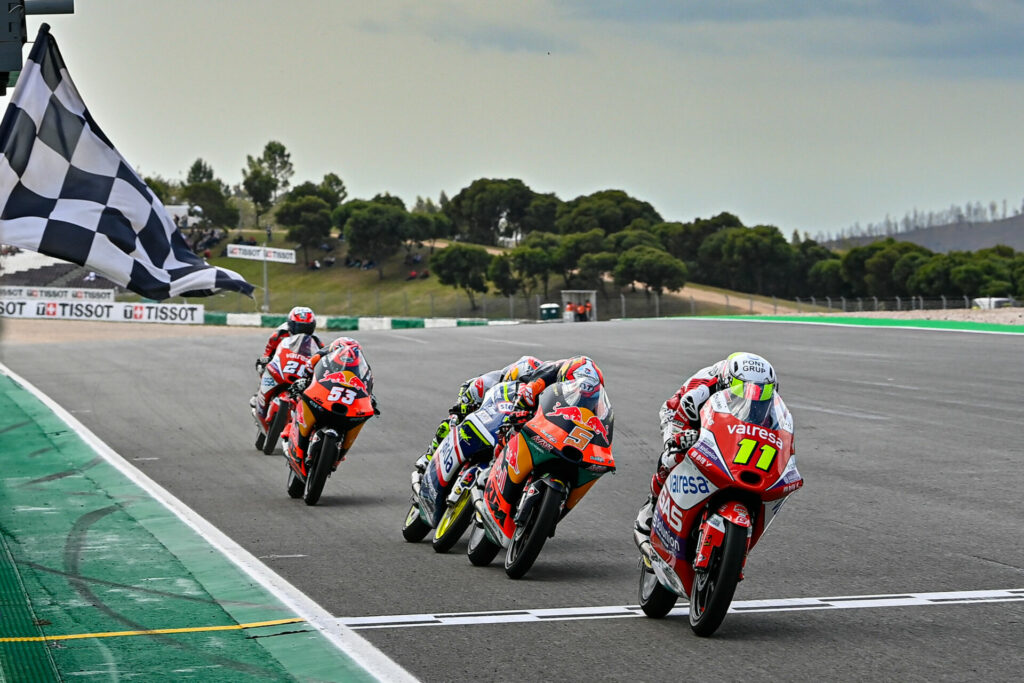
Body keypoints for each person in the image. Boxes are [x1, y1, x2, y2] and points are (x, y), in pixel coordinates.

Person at [634, 352, 778, 535]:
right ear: (726, 384)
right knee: (673, 457)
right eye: (742, 392)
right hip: (681, 414)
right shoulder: (700, 391)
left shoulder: (765, 402)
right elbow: (678, 420)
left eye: (762, 393)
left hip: (728, 421)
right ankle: (652, 504)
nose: (752, 399)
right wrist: (680, 438)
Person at [284, 337, 379, 465]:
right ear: (333, 349)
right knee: (298, 397)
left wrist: (370, 398)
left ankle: (338, 455)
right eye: (342, 351)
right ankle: (291, 430)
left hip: (342, 398)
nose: (347, 356)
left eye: (352, 354)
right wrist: (303, 381)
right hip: (320, 390)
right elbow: (308, 369)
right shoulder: (322, 356)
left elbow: (368, 385)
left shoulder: (363, 367)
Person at [250, 307, 324, 409]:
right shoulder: (279, 334)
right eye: (299, 327)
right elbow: (268, 351)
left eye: (306, 328)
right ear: (290, 325)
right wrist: (265, 360)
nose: (302, 331)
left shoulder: (316, 340)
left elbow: (321, 357)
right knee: (264, 367)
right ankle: (259, 392)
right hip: (281, 358)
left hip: (301, 362)